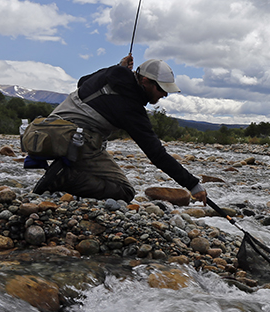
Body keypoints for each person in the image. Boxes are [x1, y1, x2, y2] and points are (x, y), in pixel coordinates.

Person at [28, 55, 207, 204]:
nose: (165, 94)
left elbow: (82, 82)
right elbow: (156, 154)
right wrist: (192, 185)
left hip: (52, 130)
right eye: (161, 89)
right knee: (125, 191)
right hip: (77, 141)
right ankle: (64, 178)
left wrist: (118, 67)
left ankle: (65, 174)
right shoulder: (131, 108)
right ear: (145, 80)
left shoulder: (113, 72)